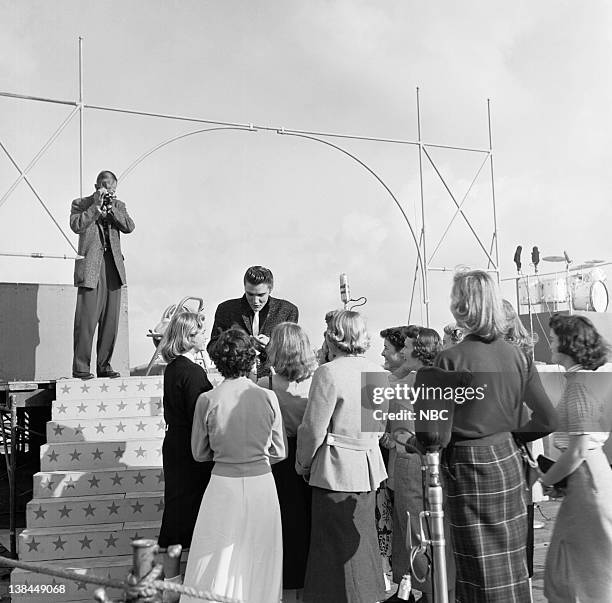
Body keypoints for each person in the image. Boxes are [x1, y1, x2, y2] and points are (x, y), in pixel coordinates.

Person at [434, 269, 557, 602]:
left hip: (467, 466)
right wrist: (513, 436)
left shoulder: (449, 359)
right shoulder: (517, 355)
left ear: (461, 306)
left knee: (477, 567)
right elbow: (549, 418)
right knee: (512, 562)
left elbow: (433, 435)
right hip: (508, 462)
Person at [182, 329, 286, 603]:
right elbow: (280, 451)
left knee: (216, 556)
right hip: (262, 484)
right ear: (250, 359)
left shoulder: (207, 400)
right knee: (261, 554)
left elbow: (198, 453)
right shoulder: (267, 397)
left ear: (218, 361)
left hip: (222, 484)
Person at [296, 310, 388, 603]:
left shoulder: (328, 373)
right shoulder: (378, 373)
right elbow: (378, 424)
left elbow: (313, 428)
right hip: (368, 467)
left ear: (332, 336)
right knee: (363, 544)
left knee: (331, 553)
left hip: (334, 470)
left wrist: (304, 464)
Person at [541, 314, 612, 603]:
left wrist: (547, 479)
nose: (551, 344)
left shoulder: (579, 384)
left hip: (586, 480)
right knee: (576, 567)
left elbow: (579, 447)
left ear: (569, 344)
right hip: (587, 479)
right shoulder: (583, 380)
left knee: (585, 571)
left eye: (555, 338)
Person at [386, 327, 455, 603]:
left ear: (419, 350)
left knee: (416, 535)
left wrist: (393, 439)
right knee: (435, 536)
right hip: (438, 467)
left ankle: (427, 591)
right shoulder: (446, 382)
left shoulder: (399, 385)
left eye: (406, 346)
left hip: (411, 467)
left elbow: (383, 431)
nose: (402, 351)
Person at [258, 323, 317, 603]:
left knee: (284, 530)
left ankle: (284, 590)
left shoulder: (264, 385)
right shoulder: (318, 380)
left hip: (278, 462)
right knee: (310, 528)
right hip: (312, 458)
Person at [156, 311, 213, 584]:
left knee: (176, 510)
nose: (205, 336)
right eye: (201, 331)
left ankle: (172, 579)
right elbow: (200, 416)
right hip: (191, 447)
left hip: (175, 444)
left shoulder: (173, 368)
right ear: (189, 337)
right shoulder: (192, 372)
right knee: (190, 511)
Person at [70, 170, 135, 379]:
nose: (108, 189)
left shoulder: (119, 206)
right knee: (86, 319)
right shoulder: (81, 203)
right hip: (91, 267)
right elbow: (76, 225)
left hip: (113, 267)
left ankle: (104, 365)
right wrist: (95, 208)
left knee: (110, 321)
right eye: (104, 185)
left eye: (112, 187)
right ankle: (81, 368)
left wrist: (111, 211)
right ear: (97, 185)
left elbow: (129, 227)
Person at [207, 266, 299, 377]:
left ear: (270, 289)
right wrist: (238, 345)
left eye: (261, 295)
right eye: (250, 294)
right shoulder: (226, 310)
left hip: (274, 381)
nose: (255, 301)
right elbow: (212, 347)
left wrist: (271, 345)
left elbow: (293, 352)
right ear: (244, 287)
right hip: (237, 381)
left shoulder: (288, 311)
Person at [377, 326, 415, 588]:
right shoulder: (384, 381)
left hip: (405, 471)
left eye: (388, 350)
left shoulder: (405, 383)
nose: (382, 353)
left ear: (403, 353)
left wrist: (387, 438)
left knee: (409, 533)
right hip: (396, 471)